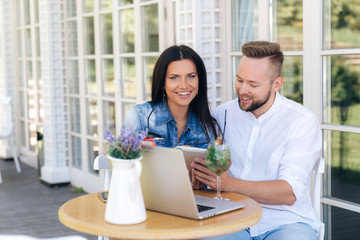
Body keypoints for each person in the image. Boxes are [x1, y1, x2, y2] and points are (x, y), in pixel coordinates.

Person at [192, 41, 322, 240]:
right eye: (239, 80)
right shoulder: (222, 113)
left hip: (285, 221)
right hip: (232, 216)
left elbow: (288, 193)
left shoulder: (302, 122)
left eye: (253, 84)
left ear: (276, 84)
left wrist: (229, 184)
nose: (243, 90)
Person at [125, 45, 219, 148]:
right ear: (162, 82)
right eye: (174, 77)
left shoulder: (209, 128)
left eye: (191, 76)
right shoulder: (139, 117)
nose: (184, 85)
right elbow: (123, 160)